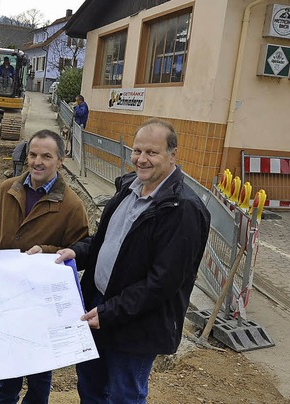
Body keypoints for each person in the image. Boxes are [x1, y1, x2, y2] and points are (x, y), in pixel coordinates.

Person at [56, 118, 211, 403]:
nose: (141, 159)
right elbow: (105, 240)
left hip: (137, 325)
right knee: (89, 387)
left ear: (172, 155)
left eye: (152, 152)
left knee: (123, 395)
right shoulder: (128, 187)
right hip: (99, 308)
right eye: (137, 150)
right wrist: (77, 252)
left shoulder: (183, 209)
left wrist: (111, 312)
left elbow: (162, 282)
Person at [0, 129, 90, 404]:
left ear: (60, 161)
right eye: (33, 155)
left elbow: (79, 252)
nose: (37, 162)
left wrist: (46, 252)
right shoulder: (7, 190)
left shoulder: (71, 206)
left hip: (43, 305)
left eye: (46, 156)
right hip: (7, 296)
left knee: (39, 371)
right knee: (7, 367)